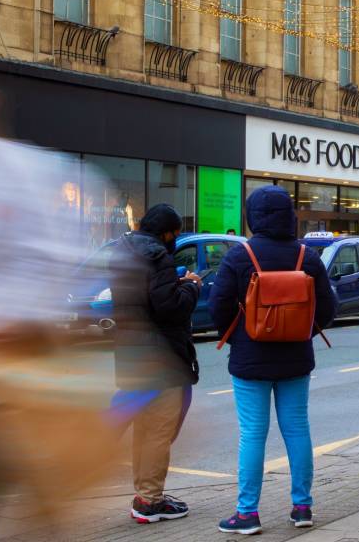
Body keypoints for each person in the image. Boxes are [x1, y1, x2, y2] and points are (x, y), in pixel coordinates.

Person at [210, 186, 336, 535]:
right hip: (296, 358)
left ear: (252, 216)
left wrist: (241, 335)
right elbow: (327, 308)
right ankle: (302, 507)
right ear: (289, 216)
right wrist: (301, 332)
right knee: (297, 429)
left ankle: (247, 514)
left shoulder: (239, 257)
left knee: (252, 434)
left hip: (250, 360)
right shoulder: (306, 257)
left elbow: (218, 307)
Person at [109, 203, 203, 523]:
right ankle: (150, 501)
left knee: (144, 429)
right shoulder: (158, 257)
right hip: (160, 358)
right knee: (158, 432)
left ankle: (144, 494)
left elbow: (145, 300)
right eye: (174, 234)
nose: (174, 240)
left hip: (131, 353)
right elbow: (169, 309)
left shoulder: (122, 252)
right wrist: (191, 286)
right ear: (167, 232)